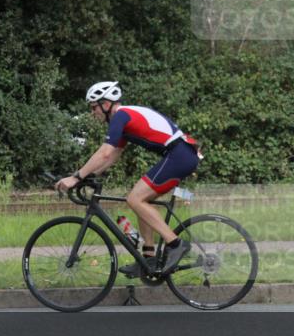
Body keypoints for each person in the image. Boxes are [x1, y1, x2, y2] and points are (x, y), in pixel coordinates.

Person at [55, 81, 199, 276]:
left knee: (135, 198)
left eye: (94, 107)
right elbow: (113, 155)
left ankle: (175, 244)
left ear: (106, 104)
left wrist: (76, 177)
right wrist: (88, 176)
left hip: (179, 155)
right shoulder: (122, 120)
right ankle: (148, 259)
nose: (93, 112)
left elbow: (105, 152)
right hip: (179, 154)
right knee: (140, 200)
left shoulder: (121, 115)